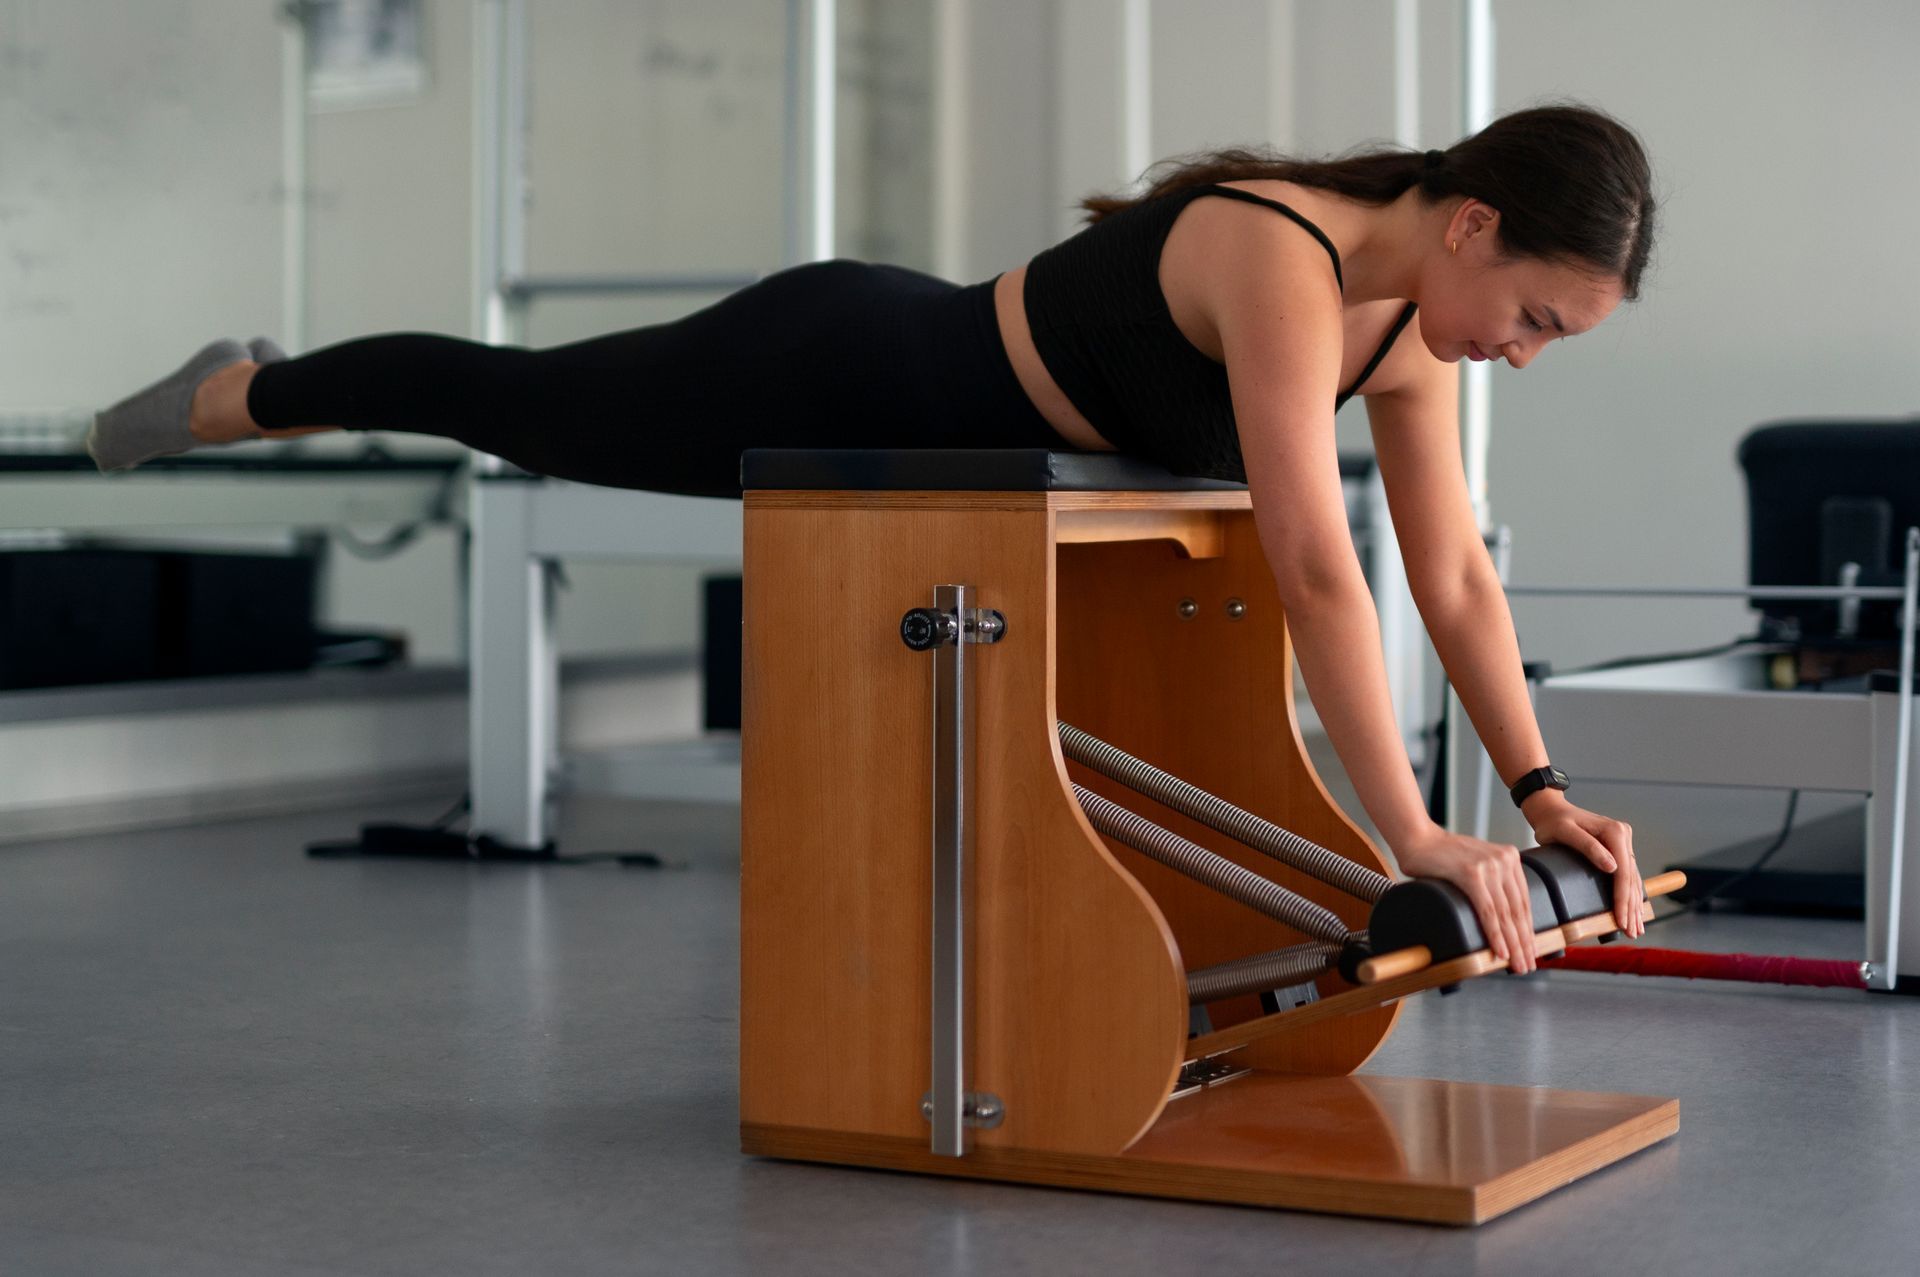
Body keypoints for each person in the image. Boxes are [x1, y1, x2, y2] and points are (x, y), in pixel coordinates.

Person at [89, 101, 1655, 971]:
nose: (1520, 351)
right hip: (832, 355)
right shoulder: (1278, 254)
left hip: (928, 407)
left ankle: (246, 385)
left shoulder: (1405, 338)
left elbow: (1447, 573)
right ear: (1469, 224)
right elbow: (1320, 565)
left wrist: (1542, 791)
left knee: (513, 400)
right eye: (1532, 317)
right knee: (508, 400)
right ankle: (238, 393)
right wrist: (1413, 834)